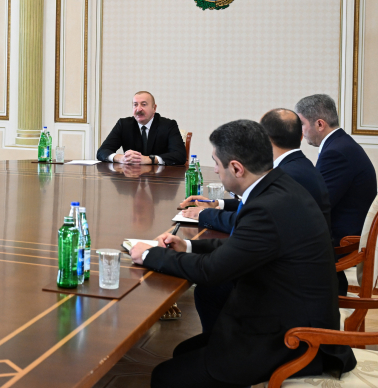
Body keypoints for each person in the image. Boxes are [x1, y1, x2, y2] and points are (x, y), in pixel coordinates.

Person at [130, 120, 354, 388]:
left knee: (165, 376)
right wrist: (188, 245)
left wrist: (148, 255)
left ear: (236, 167)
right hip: (287, 318)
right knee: (183, 352)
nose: (214, 169)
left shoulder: (266, 207)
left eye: (216, 162)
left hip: (294, 340)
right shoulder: (278, 186)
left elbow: (211, 271)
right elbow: (244, 246)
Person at [179, 108, 333, 333]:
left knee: (211, 287)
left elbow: (253, 221)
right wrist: (217, 206)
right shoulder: (293, 168)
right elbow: (252, 209)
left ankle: (218, 346)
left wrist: (203, 217)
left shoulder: (290, 175)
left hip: (291, 316)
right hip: (294, 283)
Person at [295, 94, 376, 247]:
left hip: (342, 240)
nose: (301, 132)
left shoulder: (336, 152)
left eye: (302, 125)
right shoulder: (340, 144)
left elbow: (318, 204)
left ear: (320, 124)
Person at [96, 91, 186, 165]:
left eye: (143, 104)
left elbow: (180, 155)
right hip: (131, 180)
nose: (138, 109)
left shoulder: (168, 125)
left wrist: (150, 159)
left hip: (160, 179)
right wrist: (121, 158)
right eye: (135, 105)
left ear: (154, 108)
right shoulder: (124, 124)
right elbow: (102, 152)